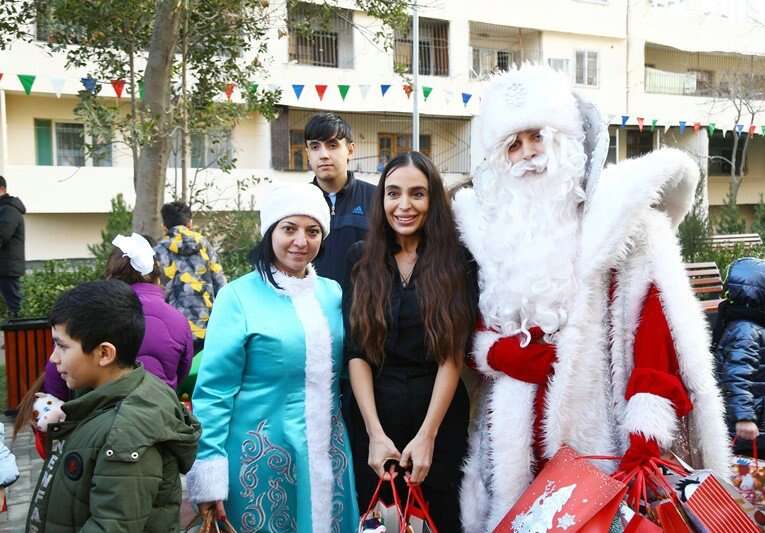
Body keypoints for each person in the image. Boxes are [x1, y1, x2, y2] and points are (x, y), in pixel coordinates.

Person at [453, 64, 730, 531]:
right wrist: (497, 353)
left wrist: (645, 430)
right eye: (513, 145)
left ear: (564, 141)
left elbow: (655, 329)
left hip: (602, 438)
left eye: (536, 137)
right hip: (516, 444)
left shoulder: (626, 223)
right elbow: (481, 324)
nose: (527, 154)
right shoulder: (494, 234)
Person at [186, 183, 358, 532]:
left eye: (312, 231)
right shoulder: (237, 297)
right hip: (260, 461)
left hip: (330, 453)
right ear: (270, 232)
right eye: (289, 228)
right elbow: (214, 393)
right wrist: (209, 472)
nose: (301, 241)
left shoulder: (333, 293)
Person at [344, 152, 477, 532]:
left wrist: (427, 436)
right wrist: (374, 434)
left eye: (417, 194)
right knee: (379, 521)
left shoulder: (457, 260)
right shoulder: (360, 258)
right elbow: (357, 352)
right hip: (375, 415)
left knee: (439, 519)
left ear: (432, 200)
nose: (404, 205)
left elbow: (452, 353)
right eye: (393, 193)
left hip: (437, 416)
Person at [26, 280, 200, 532]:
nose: (53, 358)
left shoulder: (128, 433)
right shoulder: (95, 399)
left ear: (105, 354)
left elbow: (113, 524)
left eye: (62, 346)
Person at [41, 233, 194, 399]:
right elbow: (182, 370)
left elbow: (58, 373)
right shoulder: (179, 320)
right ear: (157, 277)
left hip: (102, 406)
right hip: (160, 406)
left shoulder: (95, 313)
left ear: (110, 275)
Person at [306, 112, 376, 284]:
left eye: (332, 145)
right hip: (311, 300)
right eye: (315, 147)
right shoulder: (296, 202)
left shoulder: (376, 199)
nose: (323, 155)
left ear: (350, 150)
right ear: (307, 153)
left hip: (364, 300)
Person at [155, 201, 226, 352]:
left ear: (164, 227)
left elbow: (157, 291)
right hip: (207, 327)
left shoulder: (159, 250)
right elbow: (221, 284)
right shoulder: (204, 244)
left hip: (173, 328)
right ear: (190, 223)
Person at [715, 257, 765, 457]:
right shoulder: (745, 330)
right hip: (749, 424)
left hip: (757, 417)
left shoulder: (755, 325)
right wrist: (744, 417)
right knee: (749, 468)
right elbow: (736, 375)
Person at [0, 176, 26, 317]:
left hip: (7, 268)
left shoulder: (9, 210)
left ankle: (17, 327)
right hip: (5, 267)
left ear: (1, 189)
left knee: (15, 308)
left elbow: (2, 235)